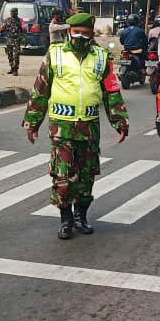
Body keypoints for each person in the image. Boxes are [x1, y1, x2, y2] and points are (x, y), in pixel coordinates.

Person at [23, 12, 129, 240]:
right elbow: (40, 90)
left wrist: (120, 121)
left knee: (86, 176)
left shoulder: (101, 57)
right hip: (62, 127)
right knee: (63, 176)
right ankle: (66, 219)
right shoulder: (55, 54)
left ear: (91, 35)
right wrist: (32, 122)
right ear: (69, 32)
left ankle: (81, 215)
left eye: (85, 33)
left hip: (89, 128)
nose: (80, 36)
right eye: (76, 32)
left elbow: (111, 91)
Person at [2, 7, 26, 75]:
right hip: (9, 40)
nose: (12, 14)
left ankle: (15, 70)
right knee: (9, 55)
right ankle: (12, 68)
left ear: (17, 13)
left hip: (16, 40)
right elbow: (3, 28)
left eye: (14, 12)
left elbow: (24, 30)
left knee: (16, 56)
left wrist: (24, 39)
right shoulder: (7, 20)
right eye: (11, 12)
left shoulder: (20, 20)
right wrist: (2, 30)